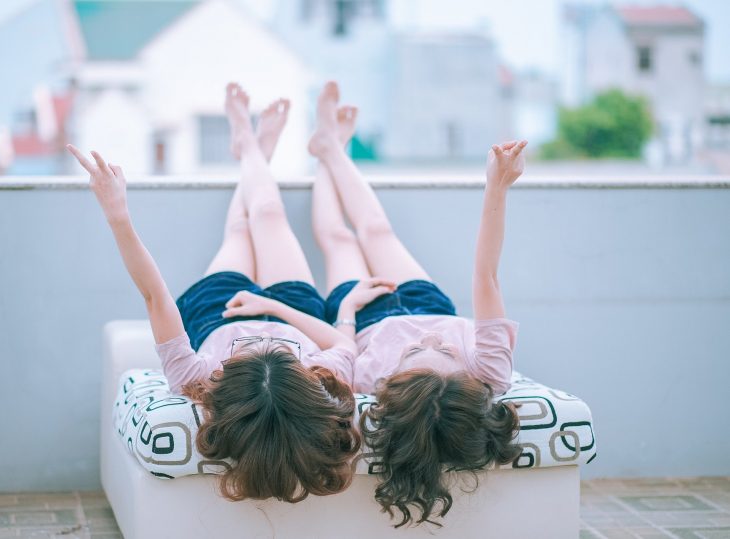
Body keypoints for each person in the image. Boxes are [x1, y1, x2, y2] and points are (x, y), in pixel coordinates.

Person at [67, 82, 360, 503]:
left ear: (226, 377)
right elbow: (342, 341)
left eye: (250, 350)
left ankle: (249, 143)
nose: (261, 338)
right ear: (302, 379)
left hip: (218, 312)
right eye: (275, 351)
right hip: (292, 308)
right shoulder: (323, 379)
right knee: (270, 213)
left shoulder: (197, 379)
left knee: (242, 226)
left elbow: (155, 296)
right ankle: (253, 149)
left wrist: (118, 216)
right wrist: (272, 306)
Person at [309, 81, 524, 527]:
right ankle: (331, 148)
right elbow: (486, 275)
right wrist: (496, 187)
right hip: (429, 302)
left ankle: (327, 154)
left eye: (415, 353)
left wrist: (347, 308)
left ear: (393, 385)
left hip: (364, 313)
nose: (429, 341)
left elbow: (340, 345)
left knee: (338, 239)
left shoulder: (370, 382)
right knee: (376, 230)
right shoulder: (489, 373)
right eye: (447, 351)